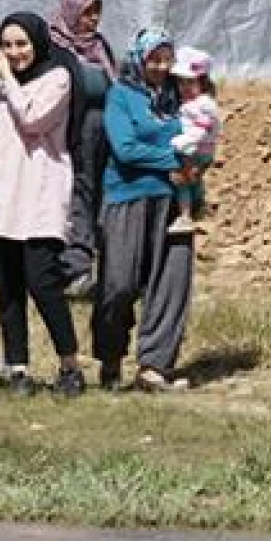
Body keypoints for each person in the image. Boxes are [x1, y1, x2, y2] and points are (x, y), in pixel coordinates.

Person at [0, 12, 86, 398]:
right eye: (6, 45)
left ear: (38, 43)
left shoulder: (57, 78)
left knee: (43, 283)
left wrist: (5, 78)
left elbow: (31, 118)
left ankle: (70, 365)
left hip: (41, 193)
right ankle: (17, 367)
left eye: (21, 44)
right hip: (4, 192)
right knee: (8, 286)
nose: (14, 53)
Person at [92, 29, 188, 392]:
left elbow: (199, 139)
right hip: (127, 197)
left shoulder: (180, 96)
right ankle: (111, 356)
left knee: (169, 284)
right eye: (154, 59)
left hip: (173, 200)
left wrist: (194, 169)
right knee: (119, 284)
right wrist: (174, 160)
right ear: (139, 58)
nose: (161, 67)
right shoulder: (121, 95)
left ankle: (154, 365)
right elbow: (125, 148)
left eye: (167, 59)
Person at [48, 0, 117, 297]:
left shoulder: (99, 45)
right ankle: (75, 267)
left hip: (104, 134)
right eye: (87, 13)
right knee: (78, 194)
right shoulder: (56, 45)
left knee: (102, 196)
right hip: (72, 133)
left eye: (96, 13)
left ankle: (107, 267)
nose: (93, 19)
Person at [168, 47, 222, 236]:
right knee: (193, 179)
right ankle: (199, 206)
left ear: (203, 82)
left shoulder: (202, 104)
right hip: (199, 149)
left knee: (182, 179)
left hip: (196, 149)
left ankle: (185, 215)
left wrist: (184, 141)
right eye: (181, 82)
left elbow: (203, 128)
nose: (185, 87)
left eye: (190, 82)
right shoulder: (193, 103)